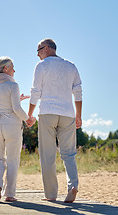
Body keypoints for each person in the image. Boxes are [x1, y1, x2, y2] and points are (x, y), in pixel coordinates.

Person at [28, 39, 82, 203]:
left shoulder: (42, 66)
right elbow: (78, 91)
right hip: (68, 114)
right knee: (69, 153)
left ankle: (51, 195)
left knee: (47, 155)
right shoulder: (71, 66)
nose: (37, 54)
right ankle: (72, 185)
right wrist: (78, 115)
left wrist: (30, 114)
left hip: (47, 113)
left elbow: (35, 91)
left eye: (38, 50)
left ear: (46, 48)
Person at [0, 56, 36, 202]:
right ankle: (9, 194)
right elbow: (15, 109)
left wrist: (17, 99)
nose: (14, 70)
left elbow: (3, 105)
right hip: (11, 126)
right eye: (12, 67)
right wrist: (28, 118)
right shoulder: (13, 86)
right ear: (6, 69)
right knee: (13, 160)